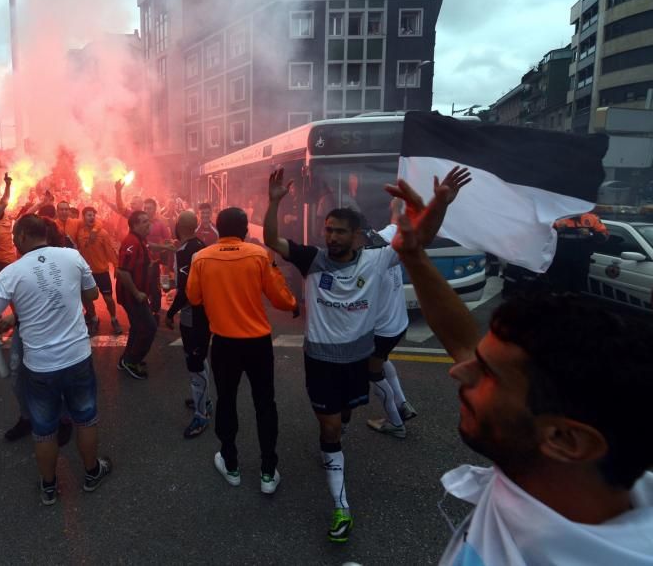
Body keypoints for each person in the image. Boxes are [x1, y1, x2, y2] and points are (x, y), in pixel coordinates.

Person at [385, 169, 653, 565]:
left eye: (487, 375)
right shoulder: (557, 472)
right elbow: (463, 343)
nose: (458, 372)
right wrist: (413, 255)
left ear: (565, 438)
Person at [264, 167, 455, 543]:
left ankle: (338, 437)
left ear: (356, 236)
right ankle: (341, 508)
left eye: (338, 231)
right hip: (320, 363)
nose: (330, 236)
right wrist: (274, 203)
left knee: (344, 415)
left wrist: (440, 204)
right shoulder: (312, 260)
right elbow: (272, 239)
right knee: (330, 428)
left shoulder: (377, 258)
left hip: (355, 362)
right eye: (328, 229)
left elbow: (422, 238)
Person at [0, 214, 112, 506]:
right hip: (77, 358)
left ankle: (49, 487)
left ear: (22, 236)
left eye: (13, 237)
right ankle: (91, 472)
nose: (12, 241)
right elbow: (92, 293)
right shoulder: (72, 257)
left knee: (44, 429)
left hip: (40, 366)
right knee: (85, 419)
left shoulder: (11, 273)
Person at [187, 207, 297, 495]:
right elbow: (280, 298)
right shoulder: (258, 255)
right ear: (246, 229)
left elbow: (193, 297)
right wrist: (294, 303)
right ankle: (268, 472)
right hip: (258, 343)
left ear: (218, 229)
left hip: (224, 343)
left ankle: (231, 464)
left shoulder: (201, 258)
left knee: (226, 401)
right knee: (265, 404)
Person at [364, 201, 417, 438]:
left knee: (373, 373)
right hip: (399, 323)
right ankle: (402, 404)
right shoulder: (383, 237)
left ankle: (395, 423)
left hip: (381, 330)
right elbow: (396, 223)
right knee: (383, 360)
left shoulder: (366, 262)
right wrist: (396, 206)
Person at [164, 211, 213, 438]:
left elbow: (185, 290)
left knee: (195, 364)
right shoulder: (202, 244)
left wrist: (170, 312)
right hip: (204, 313)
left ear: (178, 226)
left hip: (193, 315)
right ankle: (203, 400)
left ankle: (201, 415)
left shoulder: (186, 252)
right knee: (200, 359)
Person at [115, 210, 157, 380]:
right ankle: (132, 361)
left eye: (149, 220)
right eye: (144, 221)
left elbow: (149, 249)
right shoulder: (131, 242)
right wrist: (137, 292)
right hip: (132, 296)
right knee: (149, 328)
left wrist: (166, 247)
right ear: (134, 225)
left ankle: (125, 359)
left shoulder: (141, 240)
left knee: (137, 327)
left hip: (137, 295)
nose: (149, 224)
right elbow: (123, 272)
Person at [75, 206, 123, 335]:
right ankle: (94, 319)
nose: (91, 217)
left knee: (108, 298)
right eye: (88, 215)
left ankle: (114, 319)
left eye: (93, 215)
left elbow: (110, 250)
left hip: (102, 272)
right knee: (87, 298)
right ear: (83, 217)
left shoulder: (103, 233)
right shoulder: (79, 232)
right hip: (87, 273)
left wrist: (116, 265)